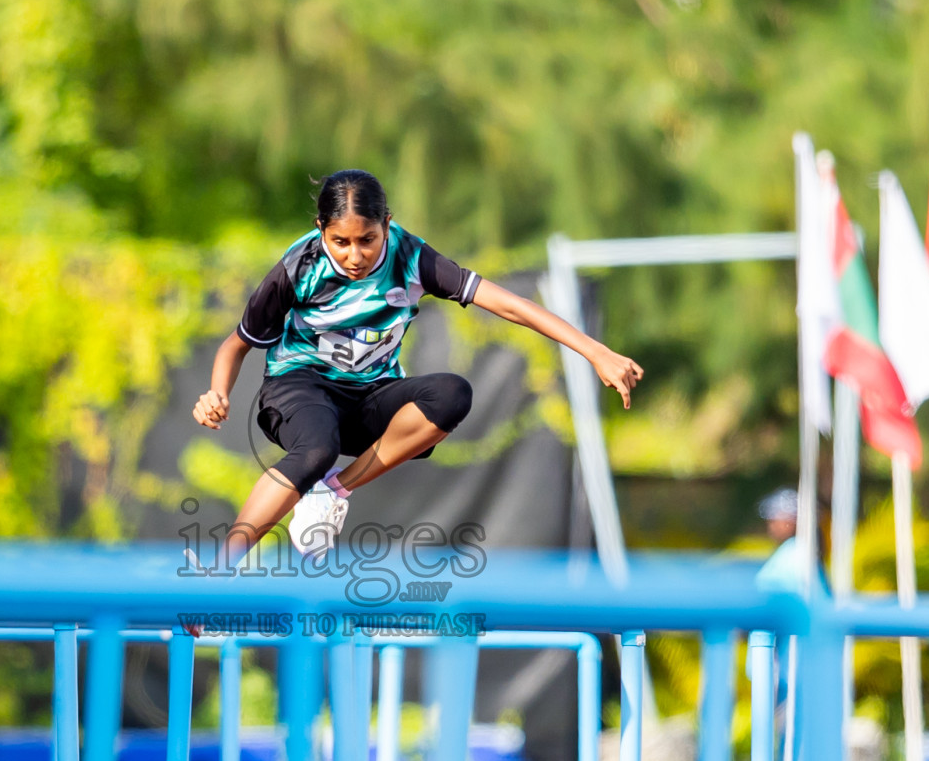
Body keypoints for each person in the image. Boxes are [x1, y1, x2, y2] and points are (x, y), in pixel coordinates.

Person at [192, 169, 643, 565]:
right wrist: (218, 392)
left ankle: (333, 492)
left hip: (370, 394)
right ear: (321, 231)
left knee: (452, 394)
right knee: (316, 449)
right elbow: (235, 345)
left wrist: (593, 350)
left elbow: (508, 304)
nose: (354, 256)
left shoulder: (411, 257)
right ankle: (218, 574)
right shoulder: (299, 266)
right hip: (299, 387)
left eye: (367, 240)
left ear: (386, 226)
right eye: (340, 242)